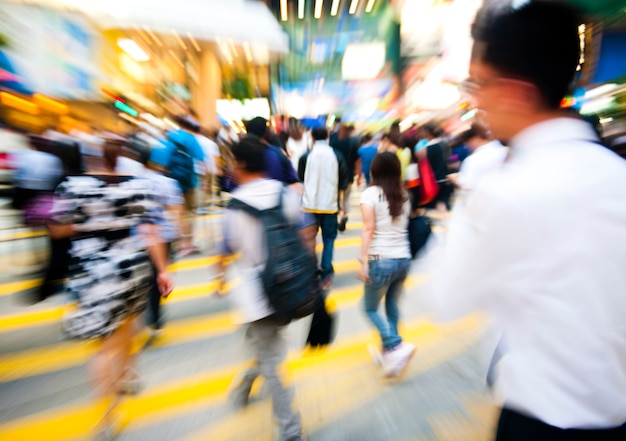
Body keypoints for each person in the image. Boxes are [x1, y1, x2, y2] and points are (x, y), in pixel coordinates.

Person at [435, 2, 626, 440]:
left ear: (516, 92)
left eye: (478, 84)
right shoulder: (618, 174)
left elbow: (448, 298)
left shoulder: (507, 189)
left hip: (539, 420)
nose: (475, 100)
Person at [48, 140, 173, 440]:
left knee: (103, 347)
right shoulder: (139, 186)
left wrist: (85, 224)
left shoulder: (74, 186)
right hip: (131, 265)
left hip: (94, 270)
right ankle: (129, 374)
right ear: (123, 160)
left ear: (94, 159)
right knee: (130, 325)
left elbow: (57, 228)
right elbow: (150, 230)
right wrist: (163, 270)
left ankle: (108, 416)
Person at [215, 137, 306, 441]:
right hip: (292, 284)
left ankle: (290, 430)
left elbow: (225, 251)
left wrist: (219, 279)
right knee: (265, 349)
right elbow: (306, 233)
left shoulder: (234, 206)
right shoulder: (286, 194)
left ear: (240, 164)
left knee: (270, 361)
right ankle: (244, 385)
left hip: (256, 297)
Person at [358, 152, 416, 378]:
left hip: (380, 260)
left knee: (370, 308)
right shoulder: (404, 194)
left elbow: (368, 229)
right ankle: (390, 353)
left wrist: (363, 261)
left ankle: (395, 345)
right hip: (404, 259)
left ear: (374, 170)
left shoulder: (370, 194)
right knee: (392, 305)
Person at [299, 127, 349, 290]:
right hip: (330, 206)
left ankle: (311, 273)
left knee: (310, 241)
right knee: (329, 240)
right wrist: (341, 204)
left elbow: (301, 178)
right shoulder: (337, 155)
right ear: (327, 137)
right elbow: (343, 181)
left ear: (312, 137)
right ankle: (326, 274)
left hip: (309, 206)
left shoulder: (306, 157)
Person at [447, 120, 506, 213]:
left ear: (476, 138)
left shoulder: (474, 160)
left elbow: (467, 187)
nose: (467, 146)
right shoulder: (503, 152)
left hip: (483, 207)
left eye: (468, 142)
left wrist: (456, 179)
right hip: (502, 204)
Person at [329, 123, 359, 232]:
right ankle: (344, 214)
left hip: (334, 174)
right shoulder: (353, 141)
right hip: (349, 174)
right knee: (346, 198)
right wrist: (358, 175)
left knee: (335, 198)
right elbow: (357, 160)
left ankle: (338, 216)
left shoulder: (333, 140)